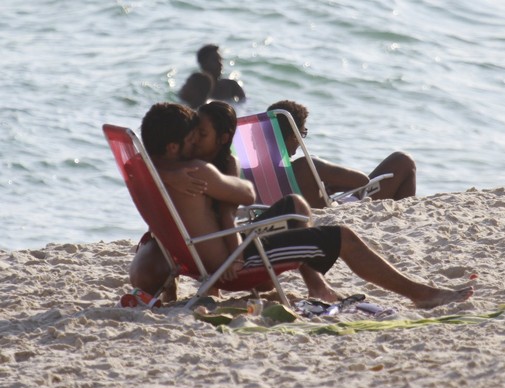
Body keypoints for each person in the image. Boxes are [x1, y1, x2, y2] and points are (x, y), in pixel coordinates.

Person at [130, 102, 474, 309]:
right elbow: (247, 195)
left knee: (294, 204)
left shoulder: (145, 172)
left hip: (201, 255)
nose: (195, 143)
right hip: (234, 263)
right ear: (175, 146)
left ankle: (315, 283)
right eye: (192, 137)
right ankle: (420, 294)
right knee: (342, 236)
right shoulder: (198, 171)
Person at [267, 100, 417, 208]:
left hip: (284, 219)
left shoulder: (251, 172)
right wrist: (334, 185)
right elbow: (361, 181)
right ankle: (407, 219)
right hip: (335, 212)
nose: (301, 141)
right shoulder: (306, 166)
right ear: (294, 136)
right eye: (302, 134)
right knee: (403, 161)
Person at [178, 44, 246, 107]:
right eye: (215, 60)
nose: (220, 64)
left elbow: (245, 106)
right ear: (203, 63)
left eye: (220, 60)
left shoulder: (231, 86)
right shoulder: (193, 87)